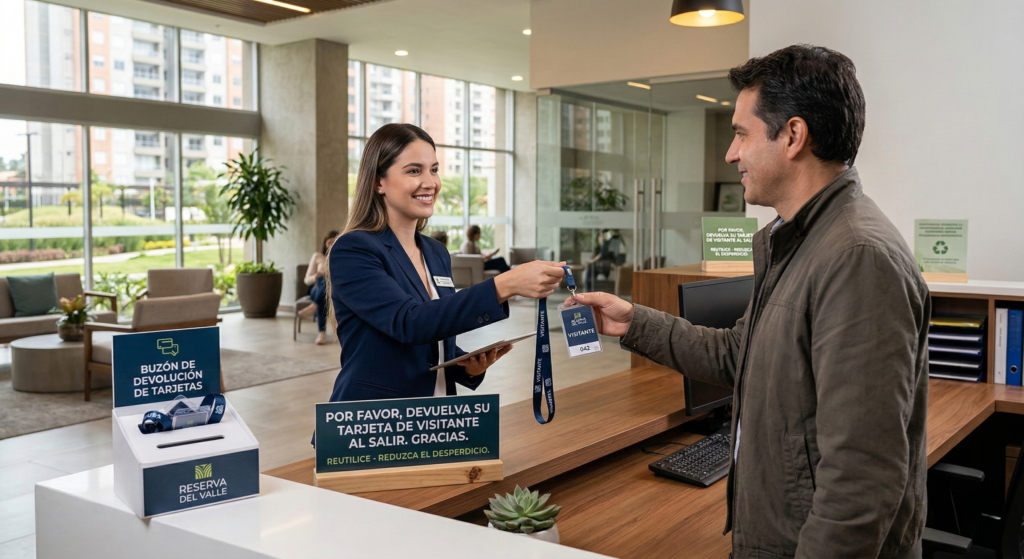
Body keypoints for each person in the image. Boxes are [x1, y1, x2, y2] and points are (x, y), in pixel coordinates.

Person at [569, 45, 929, 558]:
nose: (730, 154)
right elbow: (741, 353)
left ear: (793, 136)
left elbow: (861, 478)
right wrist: (633, 323)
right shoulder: (799, 241)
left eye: (740, 134)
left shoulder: (856, 257)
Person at [326, 123, 566, 403]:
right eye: (414, 170)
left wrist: (467, 366)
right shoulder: (354, 249)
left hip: (436, 418)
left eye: (434, 169)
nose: (430, 182)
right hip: (374, 423)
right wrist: (505, 283)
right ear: (378, 182)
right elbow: (409, 322)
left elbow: (433, 331)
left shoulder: (435, 252)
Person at [299, 230, 339, 345]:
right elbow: (307, 280)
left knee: (326, 291)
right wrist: (316, 276)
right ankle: (321, 331)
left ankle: (321, 332)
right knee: (324, 282)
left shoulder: (340, 257)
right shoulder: (317, 256)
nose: (331, 245)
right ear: (325, 242)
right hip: (316, 288)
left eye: (334, 243)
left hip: (333, 290)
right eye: (329, 242)